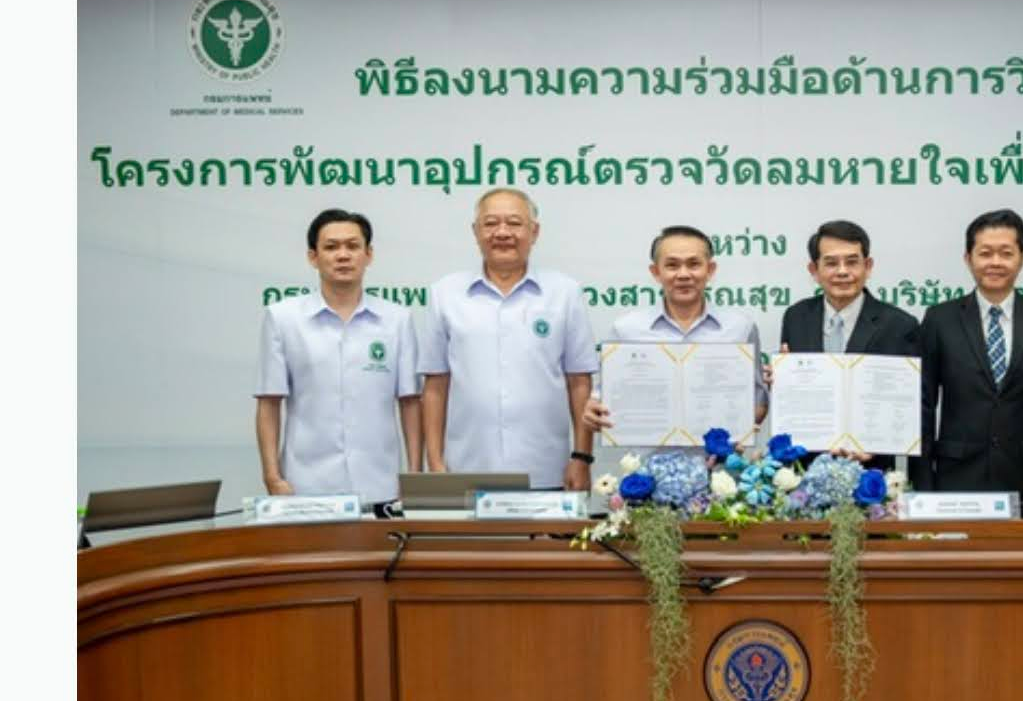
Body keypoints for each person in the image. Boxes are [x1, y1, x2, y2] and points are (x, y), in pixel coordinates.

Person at [419, 188, 597, 490]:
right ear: (475, 232)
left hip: (546, 469)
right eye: (490, 223)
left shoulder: (564, 293)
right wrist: (435, 464)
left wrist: (582, 458)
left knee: (546, 539)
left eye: (514, 223)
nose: (502, 232)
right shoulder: (445, 294)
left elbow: (579, 383)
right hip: (465, 469)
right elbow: (435, 386)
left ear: (534, 231)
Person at [255, 208, 421, 506]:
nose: (343, 255)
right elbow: (269, 402)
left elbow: (409, 402)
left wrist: (414, 475)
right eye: (331, 247)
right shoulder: (283, 318)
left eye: (353, 246)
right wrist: (272, 476)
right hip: (305, 486)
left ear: (368, 255)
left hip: (382, 486)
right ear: (313, 257)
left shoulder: (397, 319)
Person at [920, 208, 1023, 517]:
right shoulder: (940, 319)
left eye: (1006, 253)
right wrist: (923, 485)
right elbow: (924, 407)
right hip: (956, 481)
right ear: (968, 258)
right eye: (985, 253)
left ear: (1022, 257)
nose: (995, 262)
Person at [581, 225, 767, 438]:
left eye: (694, 264)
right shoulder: (626, 330)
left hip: (720, 467)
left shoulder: (740, 328)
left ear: (710, 269)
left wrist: (736, 439)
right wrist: (593, 410)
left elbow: (758, 399)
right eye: (672, 265)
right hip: (647, 465)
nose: (683, 274)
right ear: (656, 272)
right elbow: (601, 398)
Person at [780, 219, 924, 474]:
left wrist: (876, 447)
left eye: (852, 261)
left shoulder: (900, 325)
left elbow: (911, 404)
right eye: (831, 263)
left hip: (872, 473)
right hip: (805, 471)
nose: (842, 271)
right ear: (814, 270)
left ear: (868, 266)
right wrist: (780, 380)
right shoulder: (796, 317)